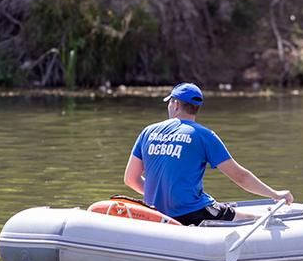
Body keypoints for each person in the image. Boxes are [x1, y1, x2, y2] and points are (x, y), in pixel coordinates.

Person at [124, 82, 294, 226]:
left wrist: (161, 195)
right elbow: (240, 177)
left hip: (155, 214)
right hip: (192, 214)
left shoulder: (148, 131)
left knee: (222, 209)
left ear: (175, 104)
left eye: (169, 102)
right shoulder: (204, 135)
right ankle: (264, 220)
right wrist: (275, 194)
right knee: (240, 217)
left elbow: (130, 179)